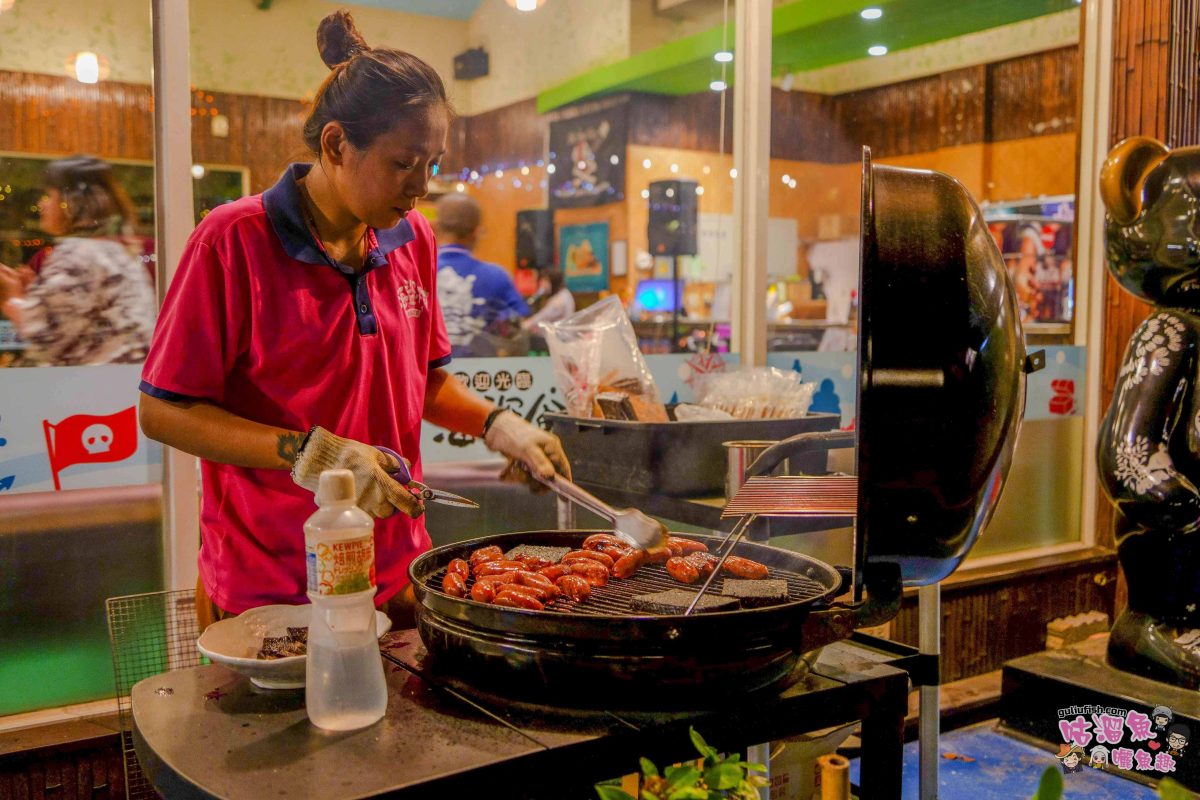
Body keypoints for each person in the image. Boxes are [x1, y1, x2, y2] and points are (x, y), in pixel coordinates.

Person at [137, 10, 568, 630]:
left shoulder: (410, 236)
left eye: (434, 164)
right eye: (403, 163)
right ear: (337, 145)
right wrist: (310, 453)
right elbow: (164, 411)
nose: (422, 187)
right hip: (274, 585)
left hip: (397, 569)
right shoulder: (232, 240)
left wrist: (502, 426)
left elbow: (425, 382)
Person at [0, 156, 155, 366]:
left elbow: (43, 332)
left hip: (94, 389)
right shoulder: (114, 250)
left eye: (49, 196)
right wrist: (34, 294)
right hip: (124, 383)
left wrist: (10, 296)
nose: (42, 205)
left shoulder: (78, 253)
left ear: (71, 202)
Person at [433, 192, 529, 356]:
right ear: (476, 232)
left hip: (427, 377)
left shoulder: (417, 273)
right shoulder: (496, 276)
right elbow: (519, 326)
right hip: (481, 376)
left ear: (435, 227)